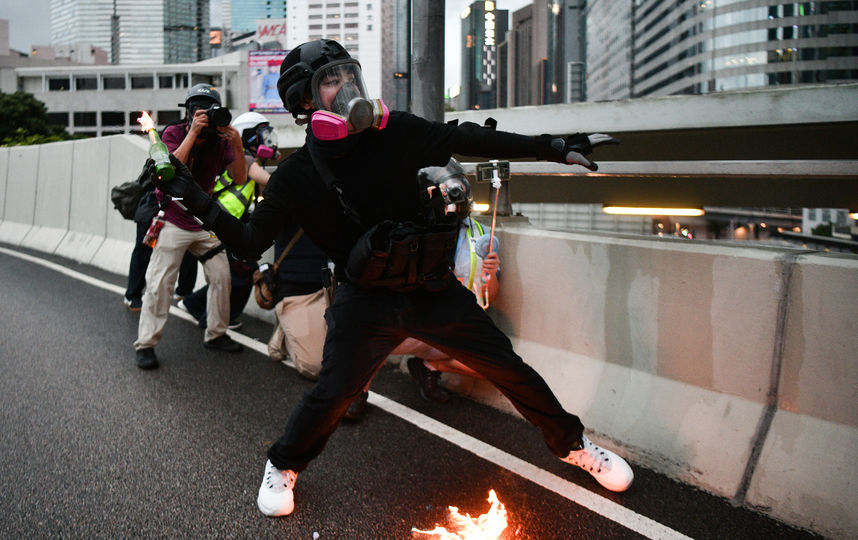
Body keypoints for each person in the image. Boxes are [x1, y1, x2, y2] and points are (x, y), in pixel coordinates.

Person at [153, 39, 633, 516]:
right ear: (303, 100)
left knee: (508, 366)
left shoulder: (396, 131)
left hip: (431, 286)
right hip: (364, 301)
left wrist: (552, 146)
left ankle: (572, 445)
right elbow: (247, 240)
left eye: (348, 76)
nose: (345, 88)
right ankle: (282, 464)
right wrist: (192, 195)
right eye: (329, 81)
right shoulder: (297, 174)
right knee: (333, 393)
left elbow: (467, 137)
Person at [343, 159, 500, 419]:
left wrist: (490, 274)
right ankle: (358, 390)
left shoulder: (482, 236)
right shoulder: (406, 232)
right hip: (409, 325)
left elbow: (489, 297)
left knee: (495, 363)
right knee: (371, 331)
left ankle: (429, 367)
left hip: (451, 329)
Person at [133, 83, 246, 370]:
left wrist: (236, 143)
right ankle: (146, 344)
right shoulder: (174, 132)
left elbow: (241, 177)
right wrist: (193, 133)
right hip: (173, 217)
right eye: (198, 109)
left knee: (222, 276)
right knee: (159, 283)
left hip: (203, 222)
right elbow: (168, 168)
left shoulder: (220, 143)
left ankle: (216, 334)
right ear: (188, 112)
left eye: (209, 110)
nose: (203, 115)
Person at [180, 112, 278, 330]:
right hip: (222, 223)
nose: (267, 139)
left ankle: (195, 305)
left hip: (228, 223)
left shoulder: (244, 157)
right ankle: (213, 316)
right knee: (241, 273)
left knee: (233, 273)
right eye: (262, 134)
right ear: (248, 136)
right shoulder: (244, 157)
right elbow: (266, 179)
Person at [123, 158, 199, 312]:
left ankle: (184, 293)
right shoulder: (163, 154)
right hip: (153, 210)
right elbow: (147, 183)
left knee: (190, 251)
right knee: (144, 251)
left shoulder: (198, 155)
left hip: (180, 213)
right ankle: (133, 295)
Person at [265, 224, 330, 381]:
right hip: (293, 287)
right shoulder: (285, 202)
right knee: (315, 368)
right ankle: (286, 329)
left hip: (325, 285)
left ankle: (283, 331)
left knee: (339, 360)